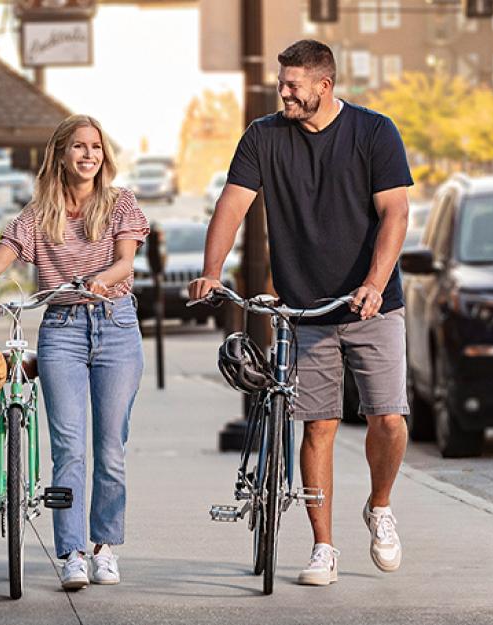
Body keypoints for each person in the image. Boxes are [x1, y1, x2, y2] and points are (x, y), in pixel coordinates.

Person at [188, 40, 412, 586]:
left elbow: (395, 213)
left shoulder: (373, 133)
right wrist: (211, 270)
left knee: (387, 417)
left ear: (324, 86)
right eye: (280, 83)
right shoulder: (263, 138)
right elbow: (232, 204)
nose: (282, 92)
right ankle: (323, 547)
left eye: (292, 85)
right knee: (319, 426)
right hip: (304, 309)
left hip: (371, 304)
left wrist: (375, 284)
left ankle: (379, 505)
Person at [0, 114, 149, 590]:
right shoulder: (37, 215)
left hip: (116, 327)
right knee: (69, 449)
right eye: (79, 147)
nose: (89, 155)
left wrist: (100, 280)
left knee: (110, 450)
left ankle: (104, 547)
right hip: (62, 331)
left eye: (96, 147)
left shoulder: (120, 204)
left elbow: (126, 260)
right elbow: (3, 255)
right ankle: (70, 553)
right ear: (61, 155)